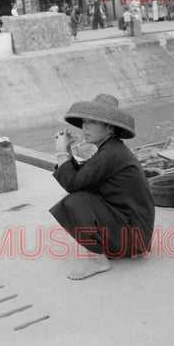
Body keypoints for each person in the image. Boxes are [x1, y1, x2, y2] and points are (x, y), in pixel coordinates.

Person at [49, 94, 155, 280]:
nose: (84, 127)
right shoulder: (110, 150)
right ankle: (109, 250)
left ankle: (99, 261)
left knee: (74, 202)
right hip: (134, 234)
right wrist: (66, 152)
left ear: (109, 128)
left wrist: (60, 152)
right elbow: (81, 179)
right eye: (84, 122)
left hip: (134, 237)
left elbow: (73, 185)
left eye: (91, 123)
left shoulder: (111, 153)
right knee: (82, 193)